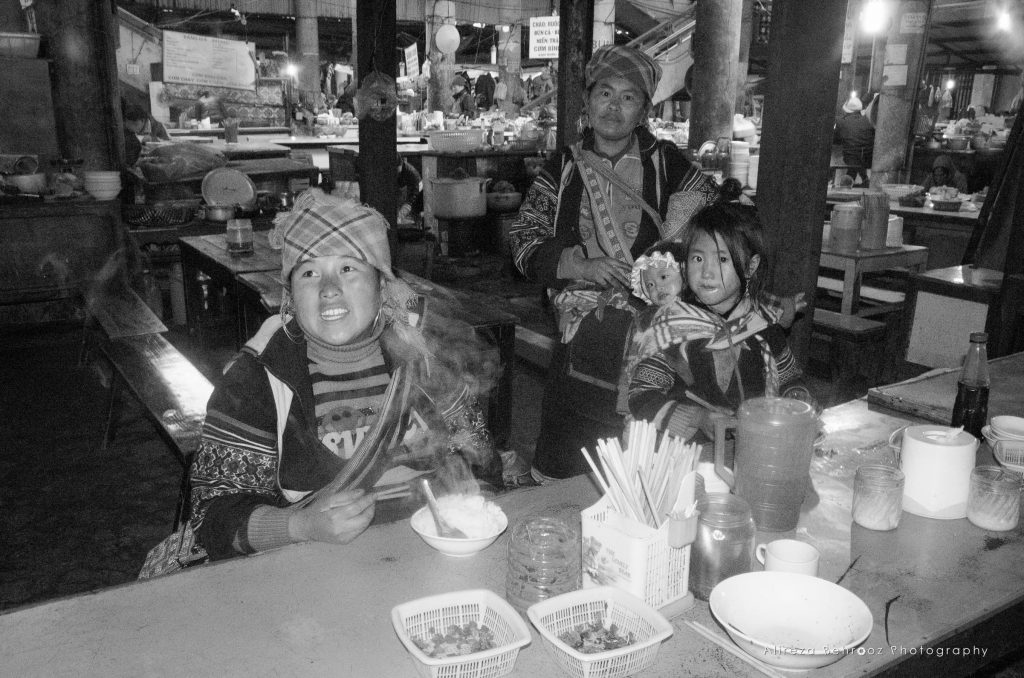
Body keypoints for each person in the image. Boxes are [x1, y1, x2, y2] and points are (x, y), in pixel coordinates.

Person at [185, 191, 501, 563]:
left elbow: (482, 463)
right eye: (309, 273)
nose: (329, 289)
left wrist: (464, 501)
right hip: (305, 574)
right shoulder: (257, 379)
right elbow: (214, 519)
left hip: (427, 559)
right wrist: (300, 526)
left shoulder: (424, 360)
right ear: (290, 296)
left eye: (348, 268)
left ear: (382, 285)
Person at [509, 44, 718, 481]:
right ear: (588, 100)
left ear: (643, 110)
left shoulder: (667, 164)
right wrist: (579, 266)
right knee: (570, 458)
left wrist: (674, 258)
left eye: (628, 98)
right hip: (582, 337)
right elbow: (525, 242)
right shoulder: (563, 168)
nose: (613, 107)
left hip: (653, 335)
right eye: (605, 93)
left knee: (644, 460)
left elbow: (714, 222)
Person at [625, 199, 810, 442]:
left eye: (722, 259)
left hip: (752, 452)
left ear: (750, 267)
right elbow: (642, 395)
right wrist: (698, 418)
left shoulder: (764, 326)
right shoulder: (671, 328)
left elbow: (791, 380)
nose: (707, 273)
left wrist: (798, 401)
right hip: (684, 458)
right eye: (698, 259)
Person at [833, 94, 875, 186]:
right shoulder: (868, 121)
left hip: (850, 158)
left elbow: (835, 138)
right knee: (858, 153)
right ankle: (864, 179)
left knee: (854, 154)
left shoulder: (841, 121)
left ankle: (848, 183)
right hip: (868, 158)